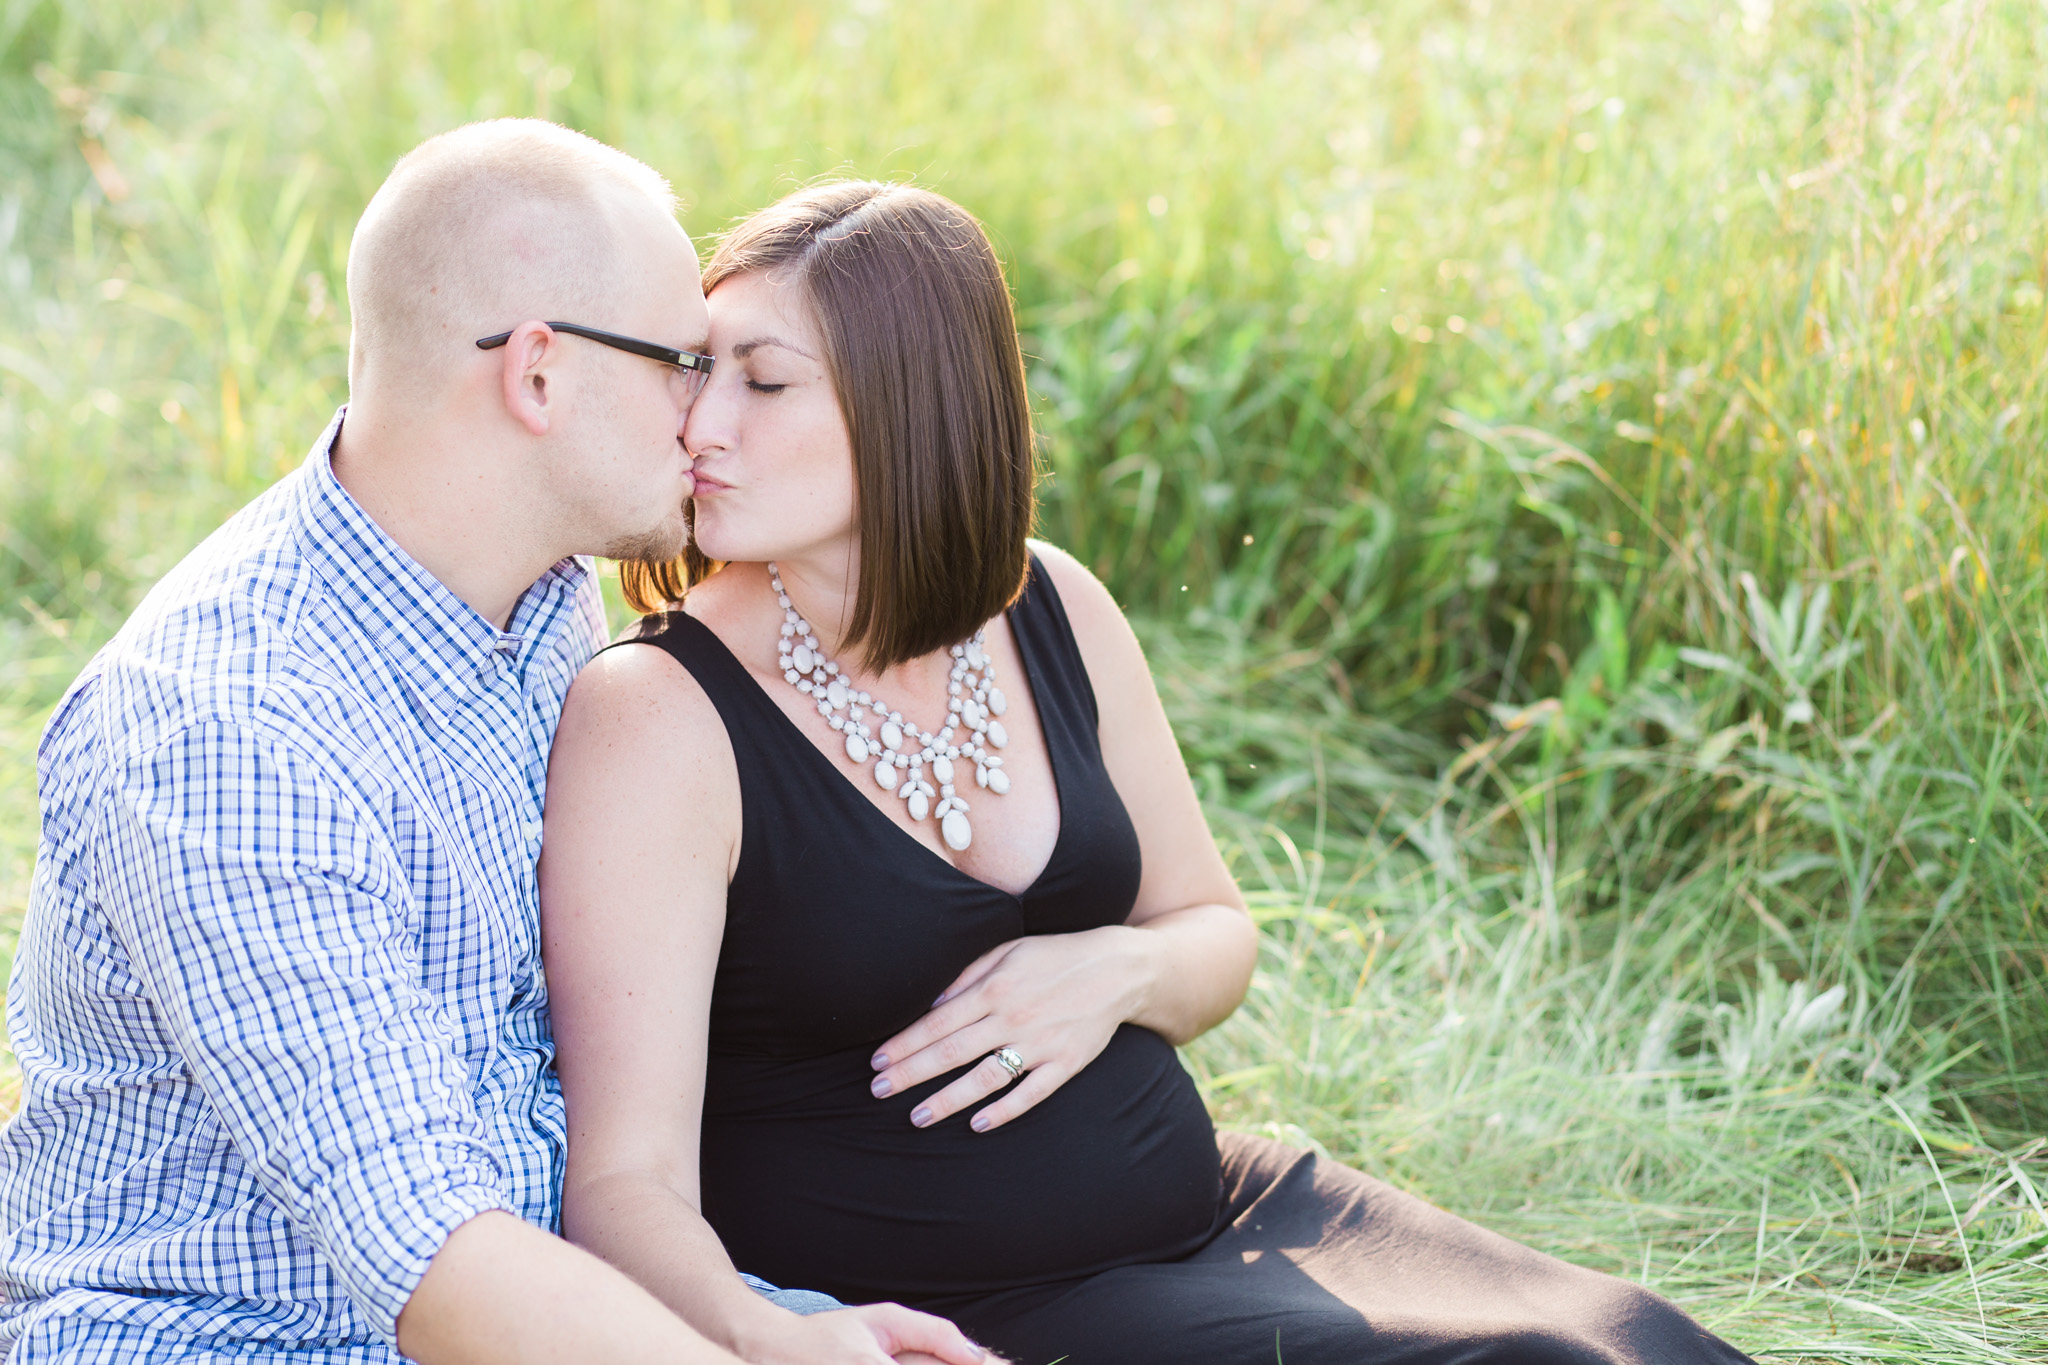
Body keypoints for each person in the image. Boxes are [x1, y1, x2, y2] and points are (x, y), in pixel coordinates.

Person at [539, 180, 1760, 1365]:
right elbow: (620, 1185)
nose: (701, 425)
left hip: (1227, 1217)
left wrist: (1112, 970)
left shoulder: (1051, 605)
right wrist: (782, 1336)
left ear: (913, 406)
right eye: (700, 370)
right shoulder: (659, 714)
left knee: (1629, 1338)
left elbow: (1213, 932)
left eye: (761, 382)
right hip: (968, 1308)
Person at [0, 122, 983, 1365]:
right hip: (247, 1335)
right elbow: (432, 1257)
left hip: (530, 1292)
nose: (704, 417)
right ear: (538, 376)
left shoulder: (542, 598)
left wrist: (767, 1325)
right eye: (684, 363)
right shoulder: (229, 729)